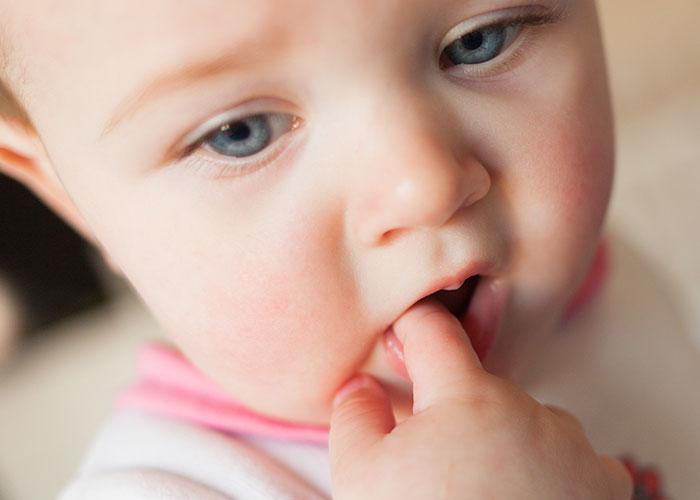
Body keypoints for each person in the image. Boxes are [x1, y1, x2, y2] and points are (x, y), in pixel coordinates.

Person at [0, 0, 672, 498]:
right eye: (242, 132)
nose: (424, 186)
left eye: (479, 41)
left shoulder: (596, 284)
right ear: (71, 201)